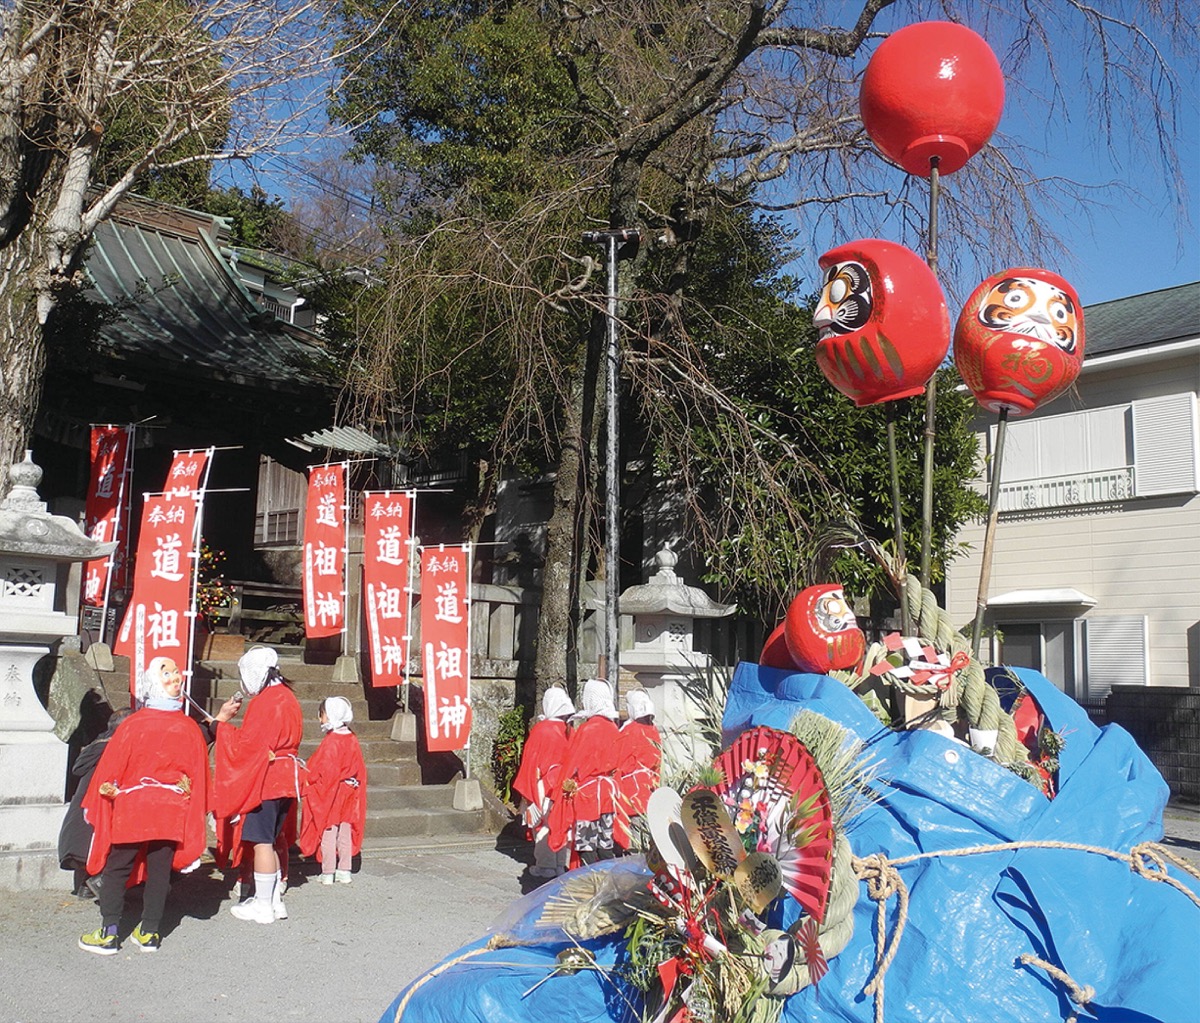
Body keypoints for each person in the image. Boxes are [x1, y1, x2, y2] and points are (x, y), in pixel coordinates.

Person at [77, 658, 210, 955]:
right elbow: (199, 775)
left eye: (175, 671)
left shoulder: (133, 725)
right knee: (159, 870)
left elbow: (111, 768)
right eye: (168, 672)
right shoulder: (188, 727)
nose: (175, 676)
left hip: (133, 806)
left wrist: (105, 794)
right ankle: (149, 931)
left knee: (117, 868)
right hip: (170, 808)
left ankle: (109, 932)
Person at [212, 646, 305, 924]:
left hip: (268, 778)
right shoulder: (287, 698)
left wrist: (221, 725)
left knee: (262, 843)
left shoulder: (267, 702)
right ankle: (274, 900)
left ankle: (264, 904)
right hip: (287, 776)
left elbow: (249, 746)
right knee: (274, 841)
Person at [58, 707, 131, 899]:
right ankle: (97, 884)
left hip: (82, 807)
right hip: (96, 804)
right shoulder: (113, 747)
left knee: (87, 846)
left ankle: (86, 886)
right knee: (98, 844)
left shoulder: (97, 744)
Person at [548, 678, 620, 867]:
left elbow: (572, 763)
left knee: (586, 844)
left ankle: (589, 884)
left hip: (588, 795)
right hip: (609, 793)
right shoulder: (614, 728)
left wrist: (559, 793)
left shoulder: (588, 729)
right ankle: (608, 881)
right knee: (605, 843)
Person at [299, 696, 367, 884]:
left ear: (329, 716)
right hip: (349, 792)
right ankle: (345, 869)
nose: (320, 719)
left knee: (329, 831)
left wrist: (309, 780)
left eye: (322, 715)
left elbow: (323, 770)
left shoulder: (331, 741)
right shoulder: (352, 738)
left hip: (332, 793)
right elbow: (359, 767)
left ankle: (328, 871)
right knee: (345, 830)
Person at [512, 687, 574, 878]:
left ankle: (545, 865)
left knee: (543, 825)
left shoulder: (541, 730)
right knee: (561, 824)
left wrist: (528, 795)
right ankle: (559, 864)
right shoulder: (570, 730)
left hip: (543, 784)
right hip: (565, 785)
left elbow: (531, 763)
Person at [614, 689, 661, 852]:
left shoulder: (629, 731)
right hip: (650, 785)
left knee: (632, 830)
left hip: (631, 788)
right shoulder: (654, 730)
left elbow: (618, 761)